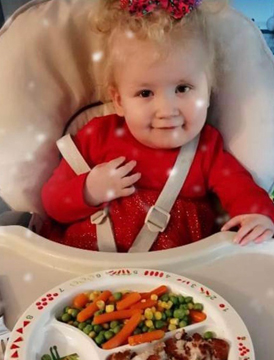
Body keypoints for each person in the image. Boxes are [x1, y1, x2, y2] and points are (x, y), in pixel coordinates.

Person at [41, 0, 274, 252]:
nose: (167, 110)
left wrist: (258, 216)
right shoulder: (97, 136)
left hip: (179, 276)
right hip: (88, 272)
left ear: (208, 94)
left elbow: (241, 189)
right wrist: (88, 190)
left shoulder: (206, 148)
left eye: (183, 88)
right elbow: (52, 204)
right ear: (119, 101)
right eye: (145, 93)